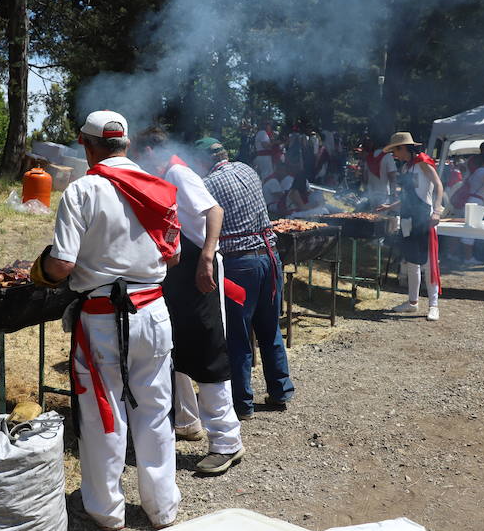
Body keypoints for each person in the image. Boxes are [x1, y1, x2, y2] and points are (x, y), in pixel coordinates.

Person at [30, 110, 181, 530]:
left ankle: (105, 511)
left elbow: (61, 265)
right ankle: (162, 508)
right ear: (127, 144)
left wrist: (38, 269)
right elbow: (176, 254)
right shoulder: (161, 189)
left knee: (103, 413)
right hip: (153, 311)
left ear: (86, 144)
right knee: (155, 409)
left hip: (102, 317)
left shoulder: (83, 190)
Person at [130, 128, 245, 475]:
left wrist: (207, 258)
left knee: (209, 355)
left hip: (200, 271)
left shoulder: (178, 172)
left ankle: (227, 442)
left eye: (139, 153)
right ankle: (187, 423)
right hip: (178, 276)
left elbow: (214, 212)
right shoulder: (160, 176)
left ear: (151, 150)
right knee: (178, 353)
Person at [192, 137, 294, 421]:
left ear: (203, 161)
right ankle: (280, 390)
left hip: (240, 266)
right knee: (269, 327)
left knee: (236, 336)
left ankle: (242, 403)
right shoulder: (247, 169)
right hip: (270, 258)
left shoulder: (207, 185)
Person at [378, 132, 444, 321]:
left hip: (425, 218)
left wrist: (437, 211)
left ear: (403, 147)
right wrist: (390, 207)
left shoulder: (423, 162)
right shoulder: (406, 168)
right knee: (411, 262)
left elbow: (438, 185)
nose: (393, 155)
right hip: (408, 218)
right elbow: (407, 197)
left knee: (429, 263)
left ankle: (434, 305)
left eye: (395, 150)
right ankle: (412, 302)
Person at [360, 138, 398, 210]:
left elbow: (365, 178)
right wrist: (394, 194)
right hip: (384, 195)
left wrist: (366, 191)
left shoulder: (369, 157)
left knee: (372, 217)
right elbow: (392, 178)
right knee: (382, 218)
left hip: (371, 194)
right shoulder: (387, 156)